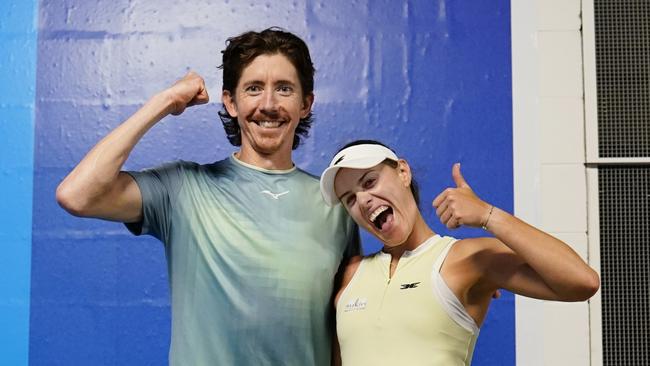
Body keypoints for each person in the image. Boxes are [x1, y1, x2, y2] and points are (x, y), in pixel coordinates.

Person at [56, 28, 359, 365]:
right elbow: (77, 195)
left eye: (284, 89)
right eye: (254, 88)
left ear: (305, 104)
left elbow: (340, 333)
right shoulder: (184, 188)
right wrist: (165, 101)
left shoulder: (335, 205)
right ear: (231, 102)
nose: (269, 104)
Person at [319, 140, 600, 365]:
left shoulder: (464, 258)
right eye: (350, 199)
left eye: (369, 182)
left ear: (403, 172)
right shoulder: (349, 276)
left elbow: (581, 282)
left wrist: (488, 215)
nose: (364, 200)